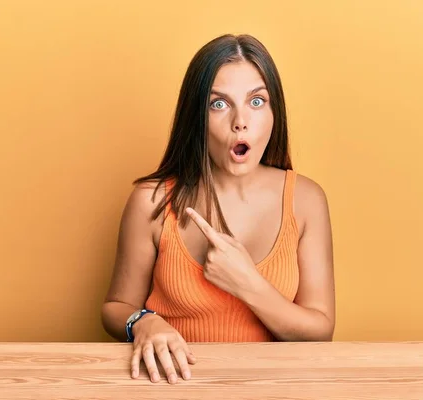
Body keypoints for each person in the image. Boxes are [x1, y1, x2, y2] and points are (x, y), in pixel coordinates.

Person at [101, 33, 335, 385]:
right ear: (196, 117)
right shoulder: (151, 201)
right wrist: (144, 322)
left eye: (257, 102)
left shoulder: (306, 199)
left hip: (271, 389)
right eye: (219, 104)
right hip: (171, 386)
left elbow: (320, 331)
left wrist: (247, 284)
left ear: (275, 113)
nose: (240, 121)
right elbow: (114, 308)